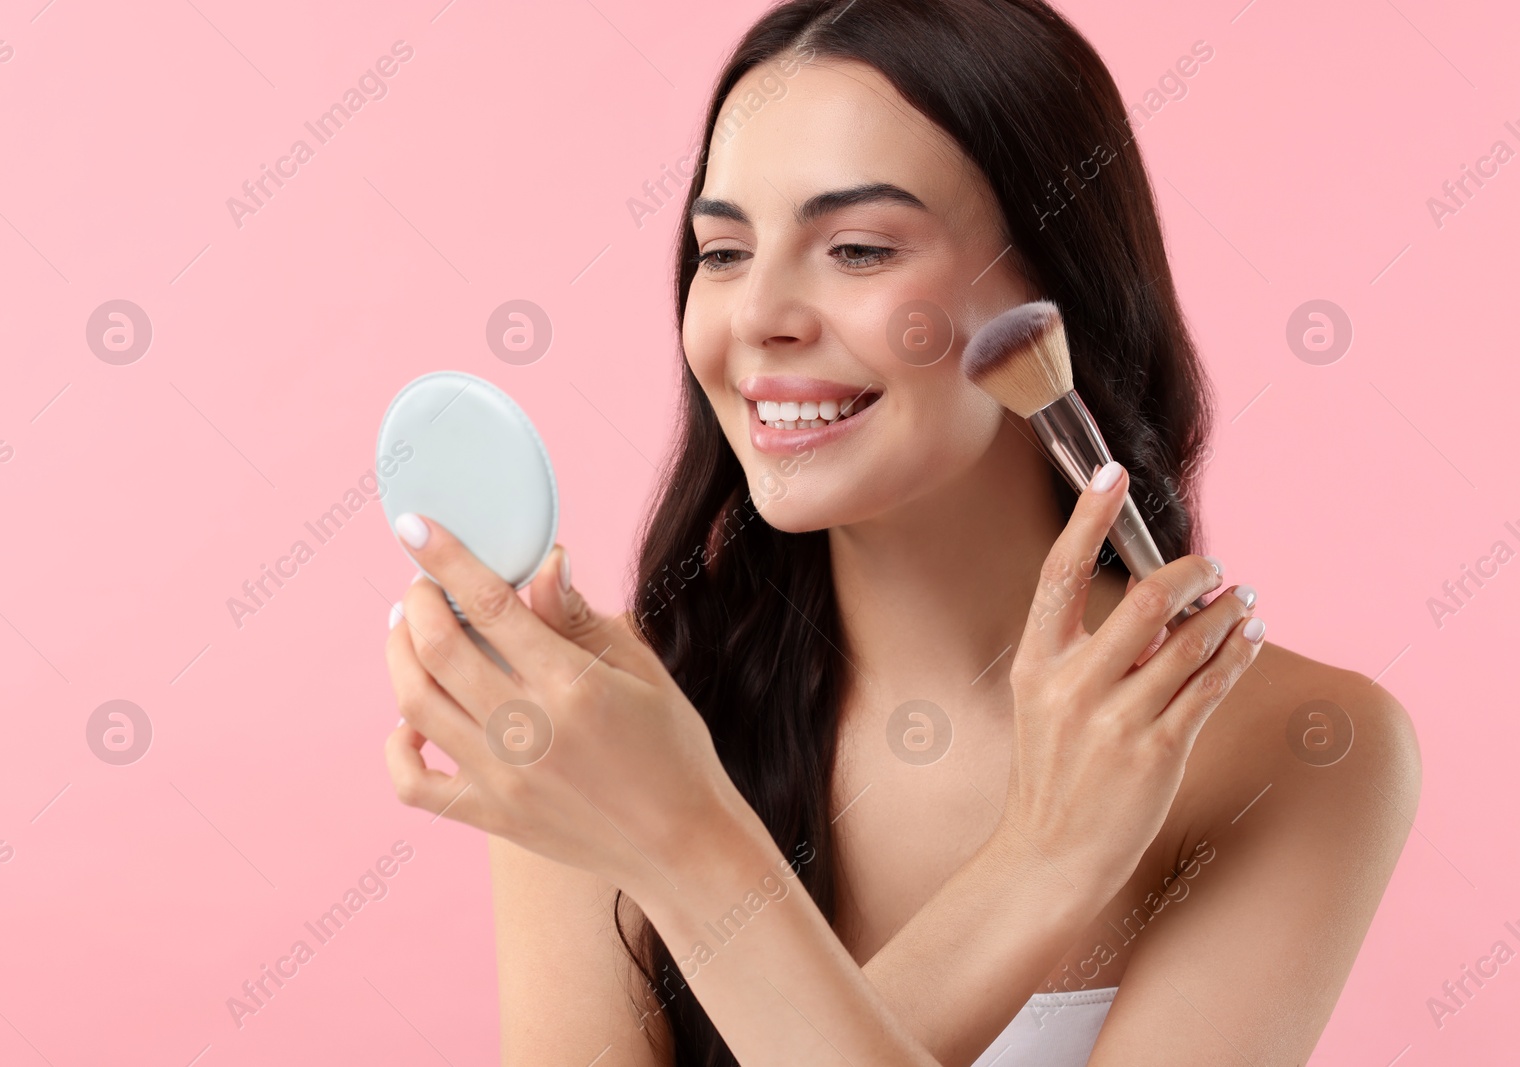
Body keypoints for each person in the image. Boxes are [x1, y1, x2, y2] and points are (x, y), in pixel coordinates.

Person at [383, 1, 1422, 1063]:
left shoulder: (1298, 746)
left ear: (1056, 290)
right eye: (725, 250)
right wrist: (1041, 861)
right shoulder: (608, 729)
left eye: (861, 248)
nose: (759, 314)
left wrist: (687, 848)